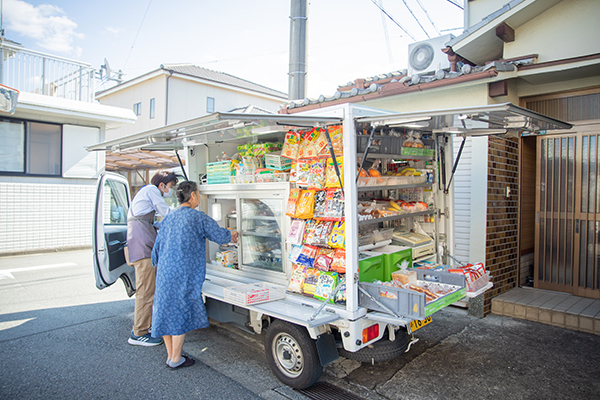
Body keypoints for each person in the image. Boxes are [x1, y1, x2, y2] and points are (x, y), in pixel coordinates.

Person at [151, 180, 238, 369]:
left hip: (165, 273)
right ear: (192, 196)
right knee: (180, 312)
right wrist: (233, 234)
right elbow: (219, 235)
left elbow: (155, 252)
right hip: (184, 274)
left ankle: (171, 355)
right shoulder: (197, 217)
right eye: (198, 194)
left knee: (165, 311)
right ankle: (175, 360)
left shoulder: (168, 218)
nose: (199, 197)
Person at [126, 170, 178, 346]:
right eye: (170, 187)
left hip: (141, 242)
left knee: (148, 289)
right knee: (146, 290)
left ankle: (144, 328)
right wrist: (185, 214)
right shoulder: (152, 191)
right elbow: (166, 211)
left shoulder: (146, 192)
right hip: (142, 245)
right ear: (162, 184)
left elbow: (153, 221)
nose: (169, 191)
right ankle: (139, 333)